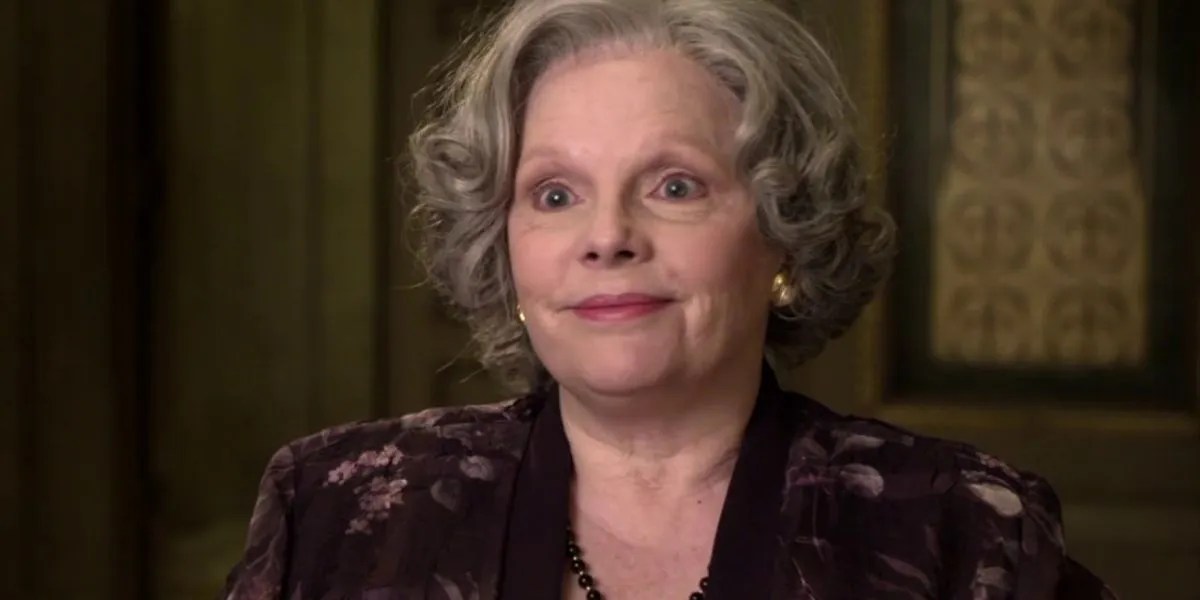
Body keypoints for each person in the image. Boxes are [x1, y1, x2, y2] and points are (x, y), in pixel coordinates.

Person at [222, 0, 1115, 598]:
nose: (607, 236)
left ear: (783, 233)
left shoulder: (964, 530)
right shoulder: (336, 512)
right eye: (555, 194)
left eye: (674, 186)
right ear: (504, 246)